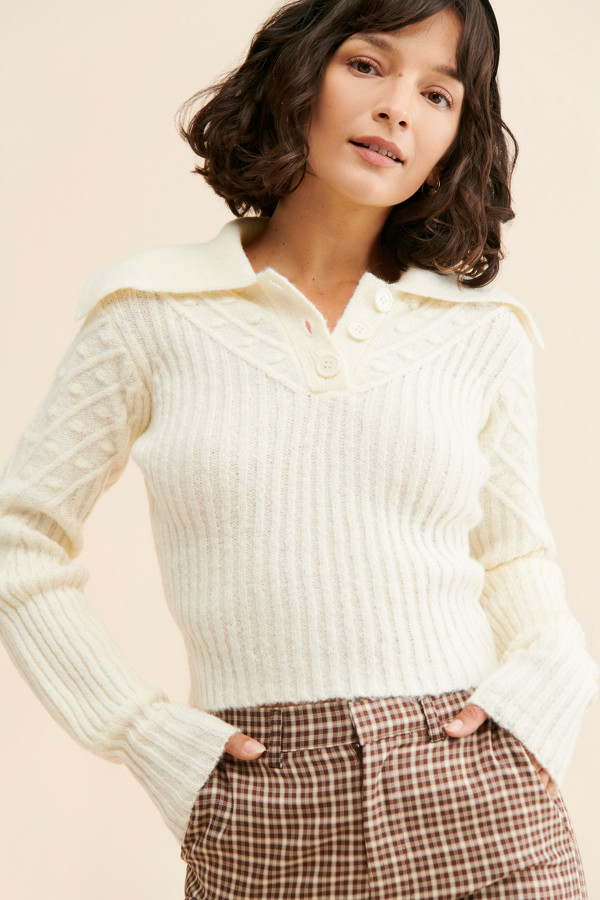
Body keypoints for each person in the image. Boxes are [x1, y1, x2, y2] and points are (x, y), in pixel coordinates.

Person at [0, 0, 597, 897]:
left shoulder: (482, 332)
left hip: (478, 784)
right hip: (262, 796)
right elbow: (22, 538)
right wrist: (142, 732)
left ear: (454, 139)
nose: (398, 107)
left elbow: (513, 552)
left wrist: (544, 702)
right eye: (367, 65)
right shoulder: (148, 314)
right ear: (299, 72)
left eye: (438, 94)